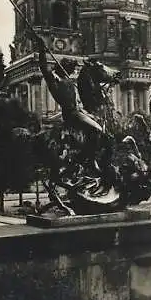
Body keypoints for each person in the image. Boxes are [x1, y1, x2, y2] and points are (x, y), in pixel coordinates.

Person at [31, 33, 112, 195]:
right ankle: (89, 159)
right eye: (71, 68)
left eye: (74, 68)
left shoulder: (68, 81)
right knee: (100, 132)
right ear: (64, 68)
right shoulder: (55, 82)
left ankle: (90, 159)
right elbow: (43, 68)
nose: (73, 70)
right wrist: (41, 49)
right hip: (72, 114)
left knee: (100, 127)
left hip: (79, 111)